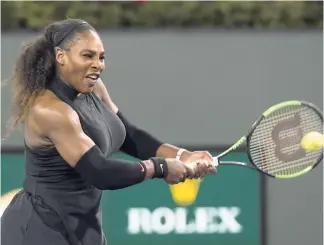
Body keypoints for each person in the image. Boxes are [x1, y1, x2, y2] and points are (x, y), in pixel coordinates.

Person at [1, 19, 217, 245]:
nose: (97, 64)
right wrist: (160, 167)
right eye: (87, 56)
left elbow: (130, 135)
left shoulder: (93, 87)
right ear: (60, 56)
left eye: (101, 57)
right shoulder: (49, 110)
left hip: (83, 228)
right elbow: (99, 171)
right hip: (38, 230)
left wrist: (182, 155)